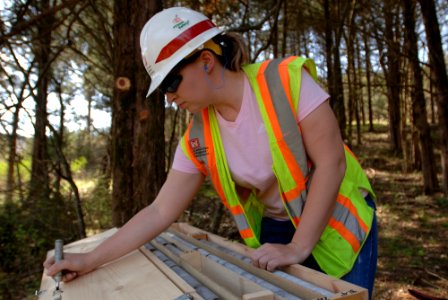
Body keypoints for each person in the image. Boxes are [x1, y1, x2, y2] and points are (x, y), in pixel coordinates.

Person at [44, 7, 378, 299]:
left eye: (171, 83)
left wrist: (298, 246)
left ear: (206, 60)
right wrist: (89, 260)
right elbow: (160, 211)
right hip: (278, 226)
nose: (168, 97)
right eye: (161, 89)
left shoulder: (287, 81)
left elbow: (330, 163)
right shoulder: (198, 136)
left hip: (337, 219)